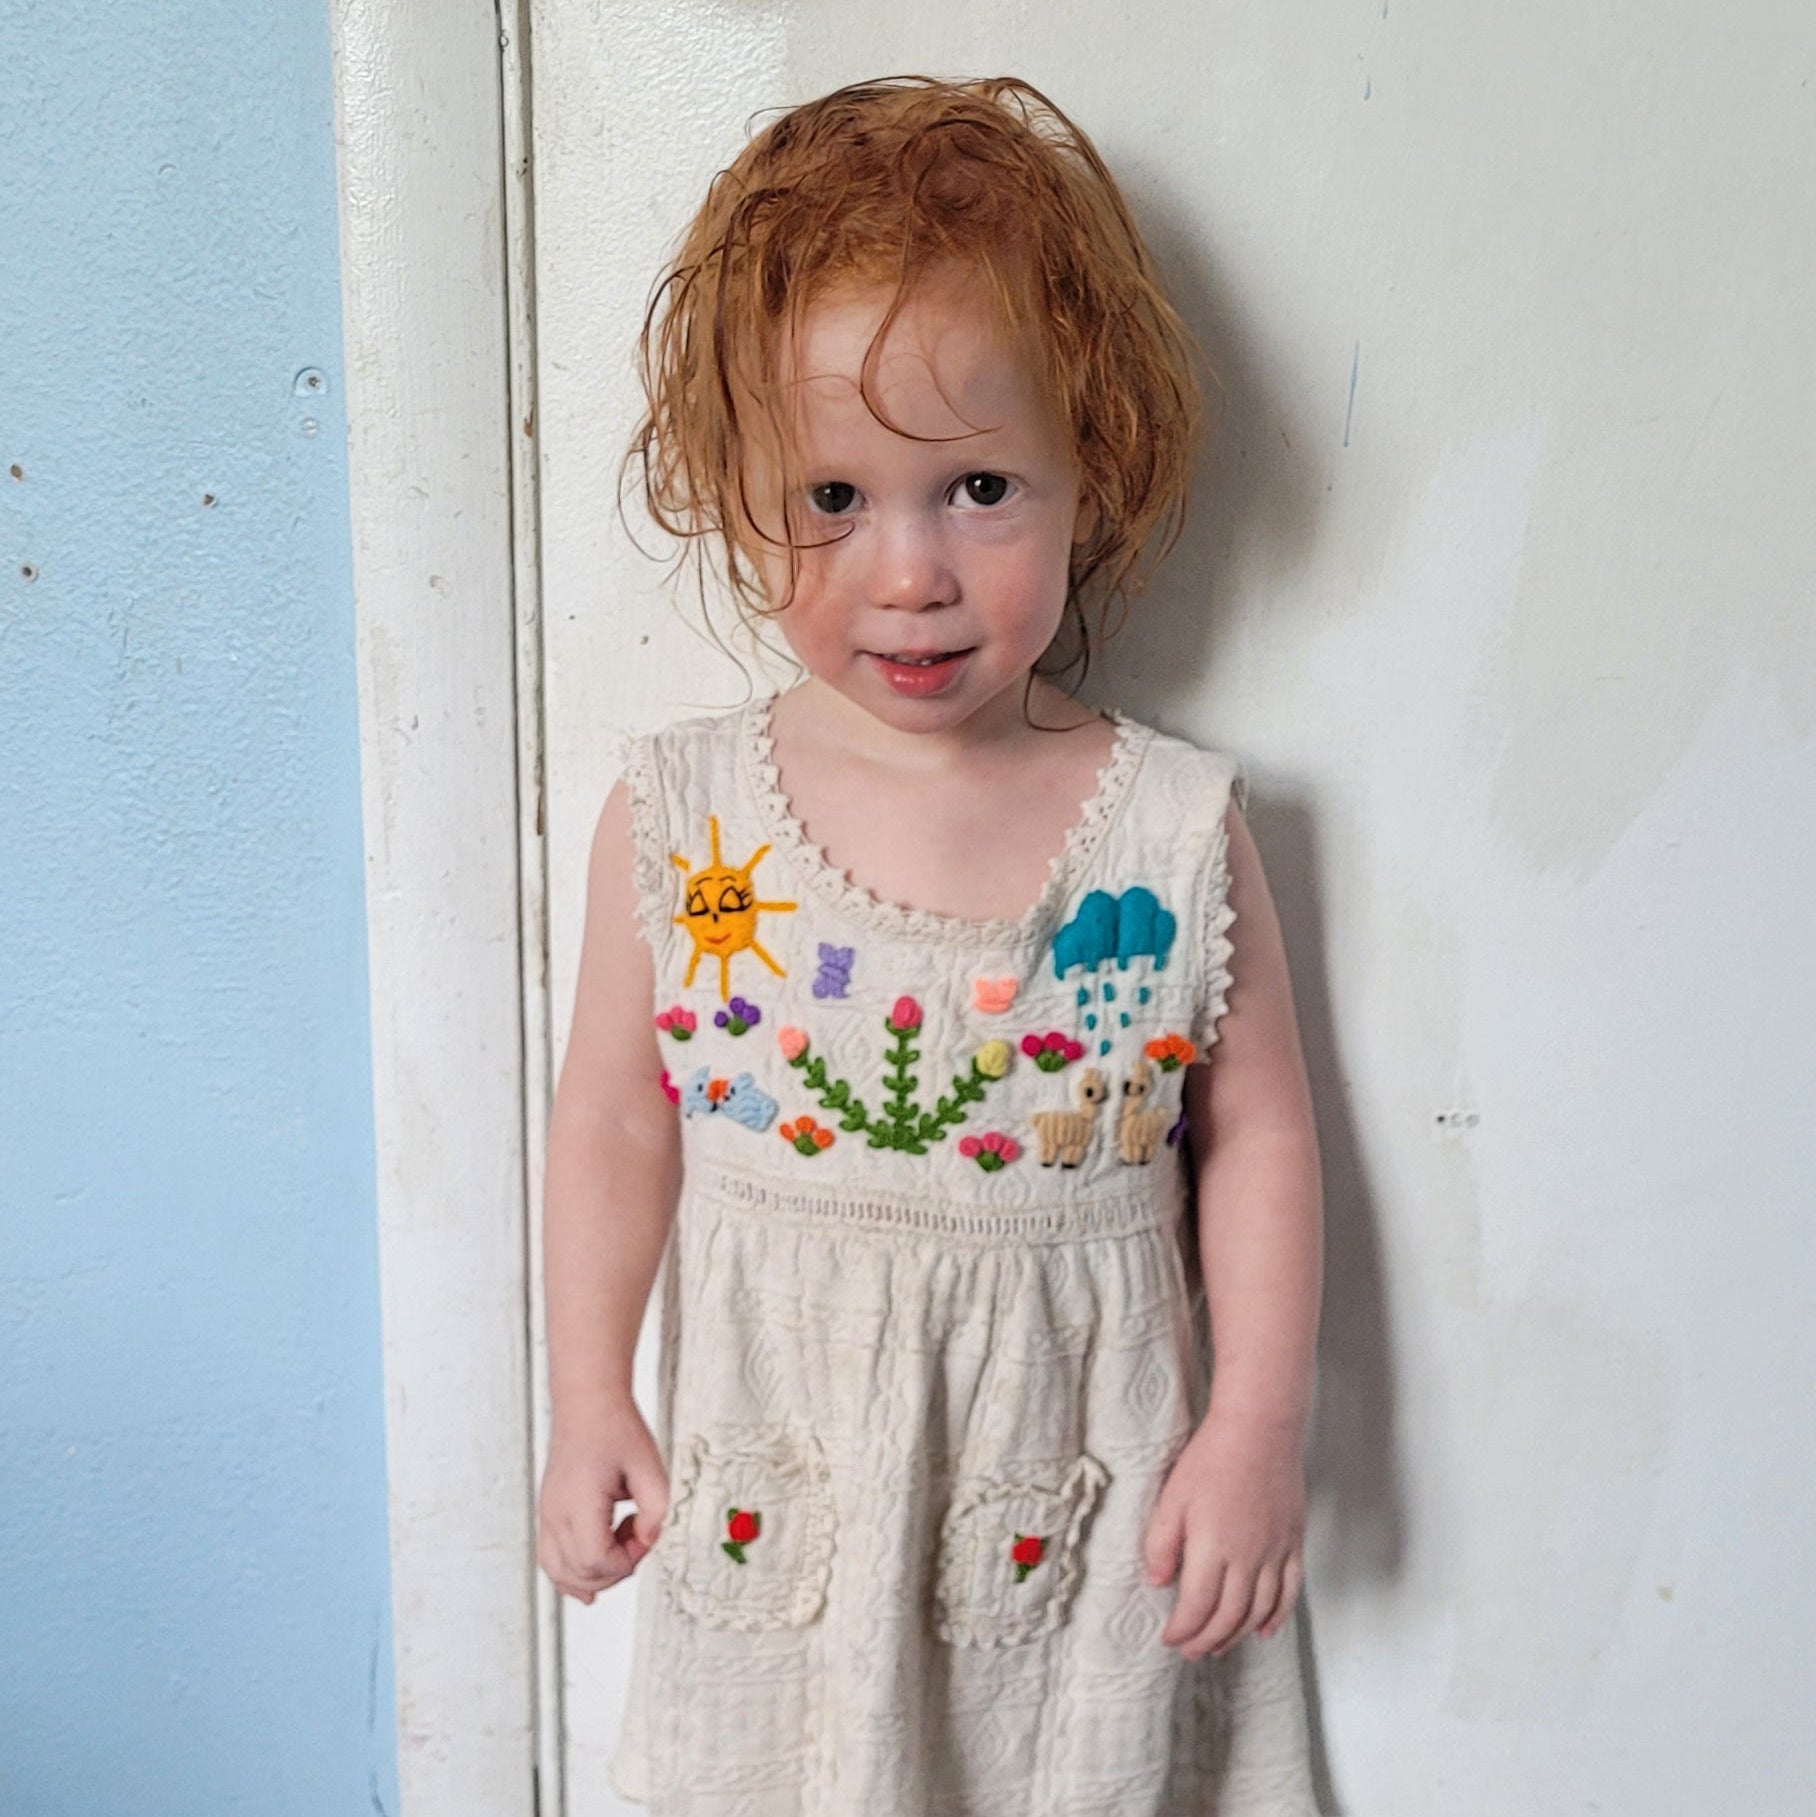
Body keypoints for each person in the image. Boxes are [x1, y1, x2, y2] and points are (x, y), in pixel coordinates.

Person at [537, 74, 1324, 1815]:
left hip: (1084, 1510)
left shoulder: (1171, 832)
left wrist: (1258, 1424)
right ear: (727, 484)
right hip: (787, 1508)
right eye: (831, 493)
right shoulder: (686, 824)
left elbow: (1256, 1131)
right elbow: (611, 1113)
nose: (908, 573)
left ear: (1085, 472)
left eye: (977, 486)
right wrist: (587, 1386)